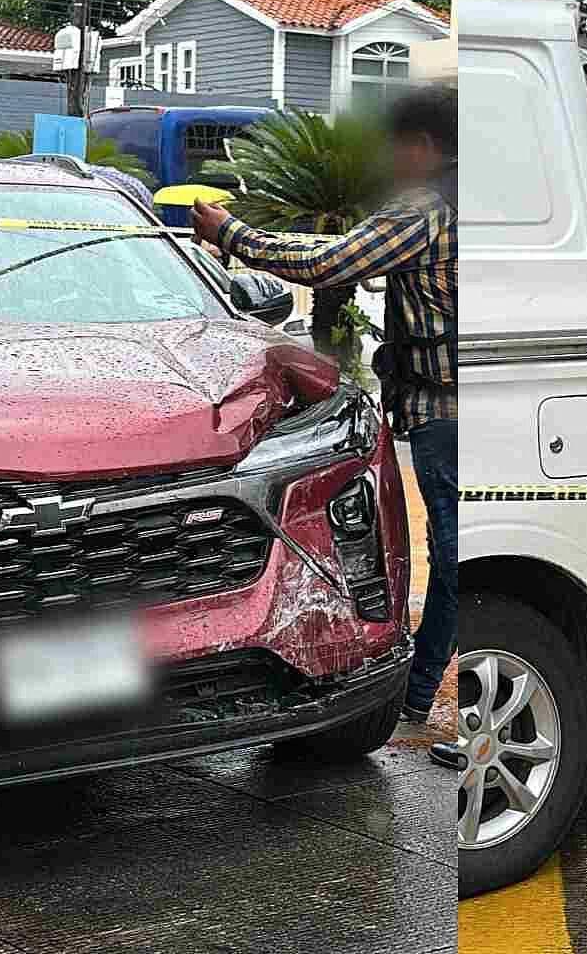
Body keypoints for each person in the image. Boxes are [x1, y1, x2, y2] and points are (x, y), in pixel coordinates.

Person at [188, 90, 459, 763]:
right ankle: (425, 695)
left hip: (449, 415)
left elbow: (327, 263)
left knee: (458, 560)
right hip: (473, 410)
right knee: (464, 558)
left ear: (421, 147)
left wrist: (231, 234)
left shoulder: (427, 208)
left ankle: (427, 699)